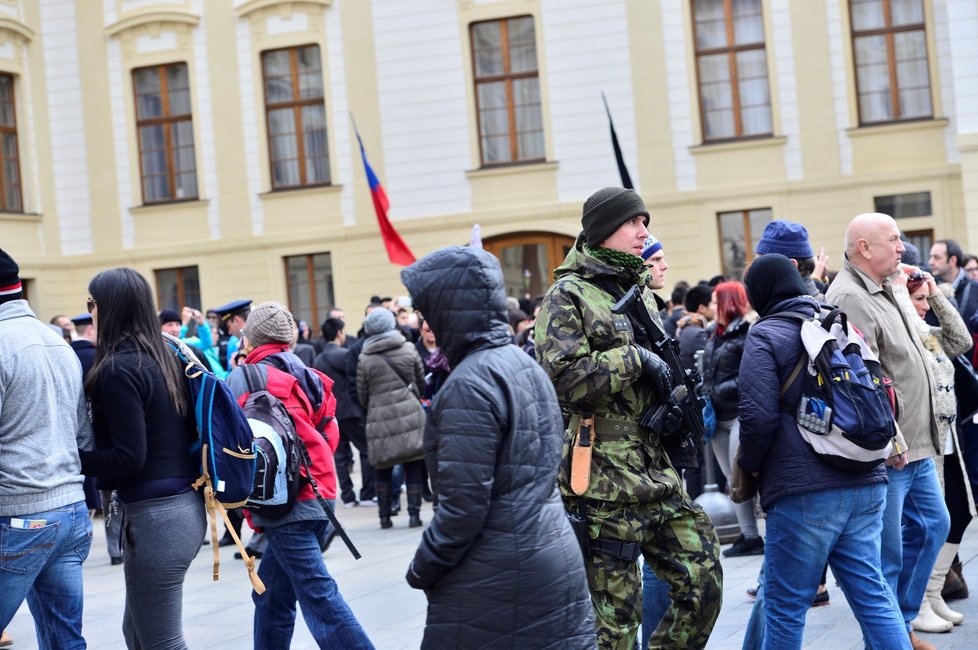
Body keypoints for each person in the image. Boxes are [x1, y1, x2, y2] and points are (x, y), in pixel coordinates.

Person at [534, 187, 722, 648]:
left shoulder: (639, 293)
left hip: (654, 467)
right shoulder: (568, 295)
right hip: (601, 477)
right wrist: (633, 361)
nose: (644, 232)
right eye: (633, 223)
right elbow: (559, 379)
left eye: (645, 222)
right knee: (615, 627)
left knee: (704, 582)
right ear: (603, 232)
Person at [400, 245, 596, 649]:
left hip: (497, 575)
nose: (425, 323)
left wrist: (423, 567)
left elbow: (462, 509)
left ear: (450, 310)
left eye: (428, 311)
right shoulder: (521, 364)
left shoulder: (469, 386)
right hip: (549, 553)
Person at [738, 253, 910, 649]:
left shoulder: (765, 334)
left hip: (804, 493)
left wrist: (750, 466)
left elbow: (757, 417)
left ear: (760, 293)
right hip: (867, 481)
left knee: (785, 608)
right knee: (874, 597)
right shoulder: (836, 321)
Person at [826, 213, 950, 650]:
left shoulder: (886, 286)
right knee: (889, 551)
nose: (902, 247)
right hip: (891, 449)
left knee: (936, 524)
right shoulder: (849, 295)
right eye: (894, 240)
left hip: (916, 443)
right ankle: (890, 634)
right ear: (864, 247)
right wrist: (892, 439)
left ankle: (901, 622)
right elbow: (865, 378)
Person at [225, 301, 372, 649]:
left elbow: (232, 441)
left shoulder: (246, 375)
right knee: (271, 595)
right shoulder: (305, 372)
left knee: (318, 595)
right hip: (320, 492)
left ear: (253, 338)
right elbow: (329, 433)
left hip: (286, 502)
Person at [79, 267, 207, 649]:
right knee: (136, 633)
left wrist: (71, 459)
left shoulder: (119, 369)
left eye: (92, 304)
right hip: (182, 510)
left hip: (158, 519)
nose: (89, 313)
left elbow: (128, 458)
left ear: (109, 307)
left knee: (161, 641)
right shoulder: (166, 356)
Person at [0, 249, 94, 650]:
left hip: (22, 515)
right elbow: (84, 436)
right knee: (64, 640)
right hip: (70, 511)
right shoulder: (57, 343)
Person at [892, 267, 975, 633]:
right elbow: (908, 323)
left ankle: (932, 591)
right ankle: (918, 601)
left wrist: (936, 295)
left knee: (955, 514)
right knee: (925, 523)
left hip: (945, 438)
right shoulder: (905, 334)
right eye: (919, 300)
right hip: (916, 443)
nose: (924, 307)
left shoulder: (928, 335)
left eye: (927, 300)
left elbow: (961, 341)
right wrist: (902, 295)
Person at [702, 280, 762, 558]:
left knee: (742, 477)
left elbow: (751, 374)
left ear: (727, 302)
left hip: (739, 414)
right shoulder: (714, 333)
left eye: (715, 301)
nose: (711, 306)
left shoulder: (747, 332)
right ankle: (748, 536)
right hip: (718, 417)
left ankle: (754, 535)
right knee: (731, 480)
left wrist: (718, 390)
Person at [356, 307, 427, 529]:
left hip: (379, 416)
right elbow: (421, 380)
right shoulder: (407, 348)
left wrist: (375, 406)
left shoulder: (365, 358)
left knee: (383, 465)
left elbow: (362, 393)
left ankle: (384, 516)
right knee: (414, 461)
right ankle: (414, 515)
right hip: (409, 413)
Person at [313, 316, 375, 508]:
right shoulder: (346, 354)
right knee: (365, 450)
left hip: (331, 414)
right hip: (351, 411)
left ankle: (348, 497)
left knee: (340, 456)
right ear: (340, 333)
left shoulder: (318, 360)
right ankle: (367, 494)